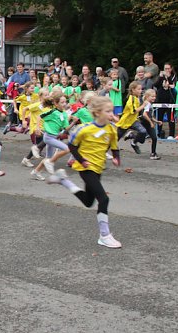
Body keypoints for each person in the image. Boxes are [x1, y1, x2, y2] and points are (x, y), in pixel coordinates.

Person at [44, 96, 122, 249]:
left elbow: (114, 147)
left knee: (88, 201)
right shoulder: (84, 129)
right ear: (97, 113)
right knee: (104, 199)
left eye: (112, 111)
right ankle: (104, 235)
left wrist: (116, 158)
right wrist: (81, 160)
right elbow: (72, 146)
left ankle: (63, 180)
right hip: (85, 168)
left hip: (98, 167)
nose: (111, 114)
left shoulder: (112, 129)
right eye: (108, 111)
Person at [31, 91, 71, 181]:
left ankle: (36, 172)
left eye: (65, 102)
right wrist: (37, 128)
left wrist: (74, 122)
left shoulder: (64, 114)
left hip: (54, 137)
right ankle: (49, 161)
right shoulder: (53, 112)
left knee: (48, 158)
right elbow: (39, 116)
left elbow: (66, 128)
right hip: (48, 137)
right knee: (67, 149)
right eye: (62, 102)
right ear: (56, 104)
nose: (65, 104)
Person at [115, 81, 148, 155]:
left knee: (143, 132)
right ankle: (103, 151)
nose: (141, 91)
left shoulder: (137, 97)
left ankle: (133, 141)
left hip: (133, 120)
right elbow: (133, 111)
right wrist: (143, 106)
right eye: (139, 89)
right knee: (115, 139)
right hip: (125, 122)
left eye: (141, 89)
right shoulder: (131, 99)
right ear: (133, 90)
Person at [140, 88, 160, 159]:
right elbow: (144, 115)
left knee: (154, 138)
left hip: (147, 123)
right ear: (147, 97)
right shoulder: (147, 104)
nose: (154, 98)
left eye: (155, 96)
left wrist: (156, 121)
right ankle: (132, 135)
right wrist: (151, 122)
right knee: (141, 139)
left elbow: (150, 116)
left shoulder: (149, 104)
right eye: (152, 96)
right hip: (144, 122)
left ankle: (153, 153)